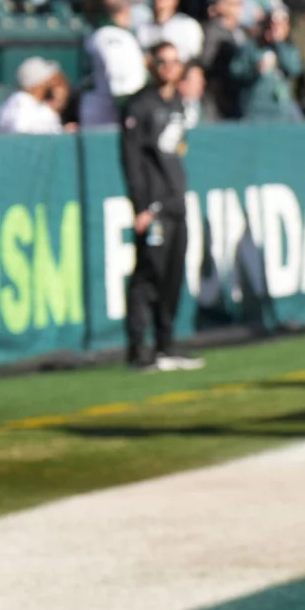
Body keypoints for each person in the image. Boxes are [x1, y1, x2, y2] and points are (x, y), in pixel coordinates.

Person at [119, 42, 203, 373]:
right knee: (148, 276)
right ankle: (139, 349)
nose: (169, 67)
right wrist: (141, 205)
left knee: (173, 275)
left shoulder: (177, 103)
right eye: (162, 61)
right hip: (153, 205)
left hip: (175, 200)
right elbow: (131, 159)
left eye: (174, 60)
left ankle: (166, 344)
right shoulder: (139, 105)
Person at [80, 0, 147, 127]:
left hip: (103, 112)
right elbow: (118, 78)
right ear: (126, 9)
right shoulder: (112, 36)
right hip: (108, 117)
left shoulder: (100, 34)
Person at [0, 57, 68, 134]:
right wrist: (51, 111)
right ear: (39, 84)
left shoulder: (34, 105)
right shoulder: (20, 102)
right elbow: (21, 133)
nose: (51, 84)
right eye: (48, 80)